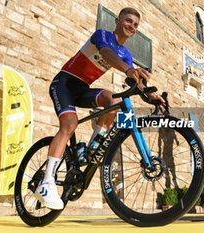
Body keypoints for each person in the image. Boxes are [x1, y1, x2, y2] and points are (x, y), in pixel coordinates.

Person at [35, 7, 165, 210]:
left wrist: (151, 95)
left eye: (135, 24)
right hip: (64, 83)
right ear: (117, 21)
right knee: (70, 124)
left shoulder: (126, 55)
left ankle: (93, 147)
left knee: (113, 100)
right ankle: (46, 183)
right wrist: (129, 70)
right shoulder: (102, 35)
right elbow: (106, 53)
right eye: (128, 21)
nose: (131, 26)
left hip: (82, 89)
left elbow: (137, 82)